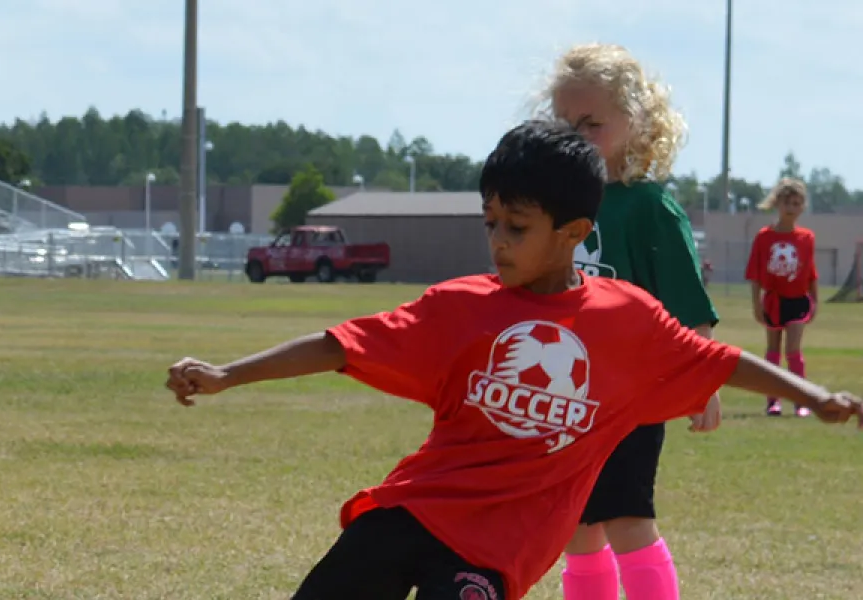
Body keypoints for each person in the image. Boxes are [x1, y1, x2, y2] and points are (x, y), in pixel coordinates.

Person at [163, 119, 863, 600]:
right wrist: (229, 373)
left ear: (574, 233)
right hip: (417, 508)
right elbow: (339, 344)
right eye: (490, 222)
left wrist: (819, 393)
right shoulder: (460, 304)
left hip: (496, 553)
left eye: (517, 228)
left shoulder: (625, 318)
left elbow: (719, 359)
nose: (497, 241)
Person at [542, 42, 719, 600]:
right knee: (576, 530)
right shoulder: (553, 206)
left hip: (630, 399)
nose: (578, 135)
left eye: (593, 123)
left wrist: (703, 382)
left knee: (627, 521)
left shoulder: (649, 208)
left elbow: (689, 308)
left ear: (634, 121)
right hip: (567, 395)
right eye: (567, 124)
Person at [747, 178, 819, 416]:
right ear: (778, 203)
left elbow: (810, 272)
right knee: (773, 349)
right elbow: (755, 273)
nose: (792, 208)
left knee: (794, 350)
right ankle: (773, 401)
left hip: (798, 300)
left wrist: (814, 300)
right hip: (773, 301)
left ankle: (802, 401)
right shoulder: (764, 237)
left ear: (802, 207)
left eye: (797, 203)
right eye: (787, 202)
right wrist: (757, 303)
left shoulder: (806, 237)